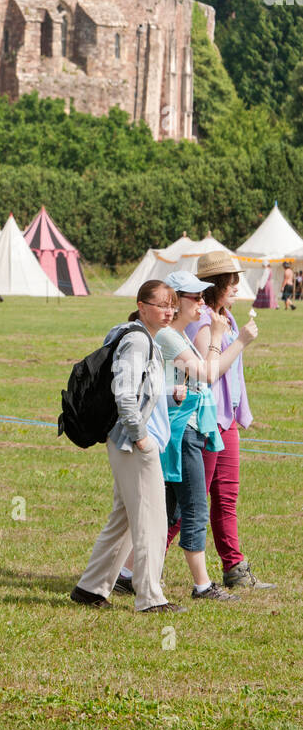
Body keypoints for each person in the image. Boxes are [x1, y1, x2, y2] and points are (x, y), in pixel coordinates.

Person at [115, 270, 258, 603]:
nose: (202, 303)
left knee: (173, 511)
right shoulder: (168, 337)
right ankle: (202, 585)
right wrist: (228, 339)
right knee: (193, 508)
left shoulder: (173, 336)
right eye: (196, 298)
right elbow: (208, 373)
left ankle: (126, 574)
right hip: (182, 434)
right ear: (175, 302)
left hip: (184, 430)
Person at [71, 279, 187, 613]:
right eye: (161, 305)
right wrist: (140, 436)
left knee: (124, 517)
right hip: (131, 443)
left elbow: (139, 386)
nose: (168, 312)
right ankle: (150, 598)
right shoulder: (137, 341)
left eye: (172, 306)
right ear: (141, 305)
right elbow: (124, 392)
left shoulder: (136, 337)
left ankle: (90, 588)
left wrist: (169, 390)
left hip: (124, 440)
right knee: (151, 518)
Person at [179, 250, 275, 590]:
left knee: (226, 497)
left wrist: (239, 411)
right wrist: (244, 341)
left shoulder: (226, 317)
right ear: (217, 283)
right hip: (204, 421)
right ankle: (132, 570)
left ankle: (234, 567)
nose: (237, 286)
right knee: (189, 503)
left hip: (226, 420)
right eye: (232, 281)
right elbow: (210, 370)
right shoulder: (202, 319)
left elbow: (235, 376)